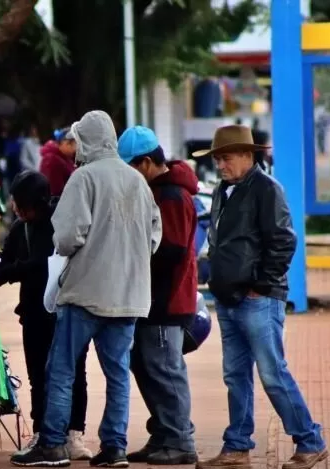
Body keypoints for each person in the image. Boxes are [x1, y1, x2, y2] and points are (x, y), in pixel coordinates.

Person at [11, 111, 162, 468]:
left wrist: (85, 251)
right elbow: (154, 235)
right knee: (117, 374)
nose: (75, 147)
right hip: (129, 296)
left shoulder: (83, 178)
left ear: (89, 140)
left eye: (79, 139)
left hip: (86, 293)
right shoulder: (137, 181)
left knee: (61, 370)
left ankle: (51, 445)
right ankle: (114, 447)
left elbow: (65, 237)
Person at [192, 125, 327, 469]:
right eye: (217, 159)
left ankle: (310, 441)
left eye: (225, 158)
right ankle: (236, 446)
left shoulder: (267, 189)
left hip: (258, 299)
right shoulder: (225, 190)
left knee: (271, 373)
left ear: (247, 155)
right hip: (228, 298)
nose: (220, 165)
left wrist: (261, 285)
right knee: (235, 375)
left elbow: (284, 241)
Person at [0, 170, 92, 461]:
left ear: (39, 202)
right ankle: (42, 432)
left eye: (23, 205)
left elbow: (41, 264)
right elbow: (7, 257)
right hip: (33, 313)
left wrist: (5, 273)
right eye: (15, 204)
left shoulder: (60, 225)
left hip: (65, 310)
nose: (18, 210)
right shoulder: (21, 227)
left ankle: (73, 434)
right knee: (38, 376)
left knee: (74, 375)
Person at [118, 126, 199, 465]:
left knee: (165, 371)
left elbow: (172, 250)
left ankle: (180, 441)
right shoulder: (156, 191)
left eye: (130, 167)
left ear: (147, 163)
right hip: (150, 299)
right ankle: (163, 434)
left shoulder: (171, 197)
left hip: (167, 301)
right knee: (147, 368)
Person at [39, 127, 77, 196]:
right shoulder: (52, 160)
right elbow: (55, 191)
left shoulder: (65, 158)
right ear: (66, 143)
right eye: (75, 144)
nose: (76, 148)